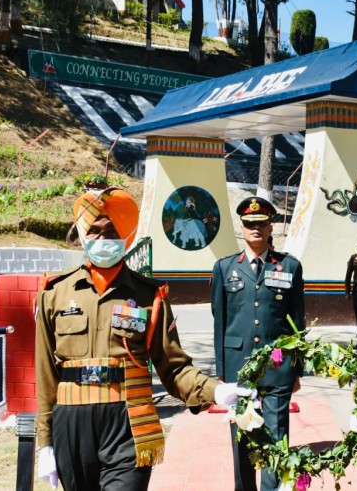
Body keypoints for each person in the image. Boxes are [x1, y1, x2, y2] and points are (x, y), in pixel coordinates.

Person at [35, 187, 252, 491]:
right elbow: (45, 376)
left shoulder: (149, 295)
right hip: (72, 424)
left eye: (111, 230)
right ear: (82, 235)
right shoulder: (55, 293)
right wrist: (44, 443)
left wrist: (215, 391)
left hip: (130, 422)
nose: (103, 239)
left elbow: (173, 366)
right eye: (94, 231)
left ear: (125, 236)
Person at [211, 196, 305, 491]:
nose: (255, 229)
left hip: (278, 365)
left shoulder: (289, 266)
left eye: (261, 223)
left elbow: (297, 321)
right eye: (250, 224)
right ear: (242, 226)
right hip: (238, 364)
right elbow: (219, 320)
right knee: (241, 433)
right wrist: (221, 369)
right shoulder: (225, 268)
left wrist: (297, 369)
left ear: (270, 226)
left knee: (277, 435)